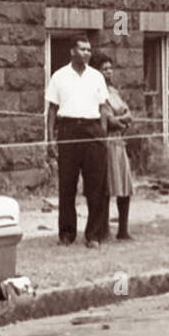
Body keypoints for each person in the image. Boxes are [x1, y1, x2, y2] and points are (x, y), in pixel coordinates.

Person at [45, 35, 110, 248]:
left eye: (89, 50)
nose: (87, 53)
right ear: (72, 51)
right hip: (68, 130)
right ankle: (66, 233)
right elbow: (52, 110)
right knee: (67, 185)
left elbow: (103, 108)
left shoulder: (96, 77)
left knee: (95, 187)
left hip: (93, 131)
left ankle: (93, 235)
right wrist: (50, 140)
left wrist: (102, 134)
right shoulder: (59, 76)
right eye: (82, 49)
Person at [93, 53, 135, 241]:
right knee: (108, 186)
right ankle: (103, 229)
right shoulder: (96, 92)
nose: (109, 72)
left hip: (119, 143)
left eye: (110, 68)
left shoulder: (114, 92)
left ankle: (123, 230)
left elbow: (128, 114)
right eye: (104, 69)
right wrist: (120, 120)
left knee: (125, 186)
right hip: (106, 142)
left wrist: (123, 120)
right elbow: (108, 120)